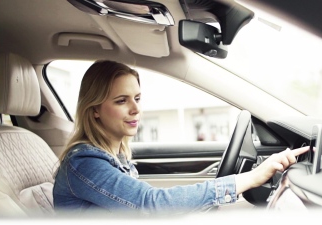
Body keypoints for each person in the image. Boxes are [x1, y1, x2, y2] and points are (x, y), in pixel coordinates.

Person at [53, 60, 308, 214]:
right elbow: (150, 205)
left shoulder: (116, 157)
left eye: (138, 98)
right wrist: (250, 178)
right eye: (122, 101)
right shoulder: (84, 162)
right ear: (95, 109)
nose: (136, 109)